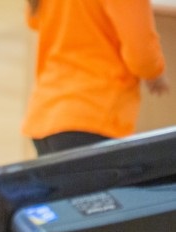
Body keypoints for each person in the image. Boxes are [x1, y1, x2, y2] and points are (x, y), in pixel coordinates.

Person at [22, 0, 170, 156]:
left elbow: (33, 20)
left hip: (45, 114)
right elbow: (141, 53)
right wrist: (155, 75)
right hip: (93, 115)